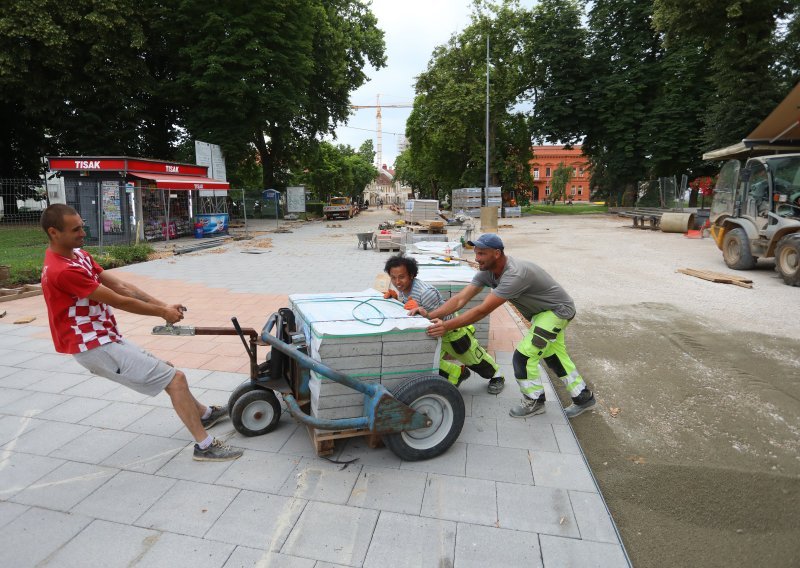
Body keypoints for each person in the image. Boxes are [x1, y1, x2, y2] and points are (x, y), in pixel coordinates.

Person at [39, 204, 243, 462]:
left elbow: (122, 286)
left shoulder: (77, 255)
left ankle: (204, 414)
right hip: (92, 346)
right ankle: (205, 446)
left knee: (168, 371)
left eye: (82, 225)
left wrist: (163, 306)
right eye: (76, 229)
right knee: (175, 379)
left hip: (105, 337)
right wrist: (161, 313)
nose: (83, 232)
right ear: (54, 232)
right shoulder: (63, 270)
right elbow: (119, 301)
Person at [419, 234, 595, 419]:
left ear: (496, 253)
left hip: (557, 311)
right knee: (554, 356)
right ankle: (583, 398)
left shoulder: (514, 274)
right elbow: (460, 299)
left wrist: (445, 326)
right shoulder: (487, 272)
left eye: (482, 254)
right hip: (543, 315)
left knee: (524, 357)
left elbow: (482, 310)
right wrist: (430, 316)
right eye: (476, 253)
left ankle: (534, 401)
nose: (477, 258)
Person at [383, 255, 505, 393]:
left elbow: (439, 315)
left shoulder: (425, 293)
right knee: (427, 360)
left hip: (452, 331)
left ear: (411, 275)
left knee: (473, 358)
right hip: (434, 332)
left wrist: (421, 313)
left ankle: (497, 376)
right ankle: (457, 374)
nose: (397, 282)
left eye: (401, 277)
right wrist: (395, 300)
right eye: (393, 278)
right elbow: (412, 310)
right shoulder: (404, 289)